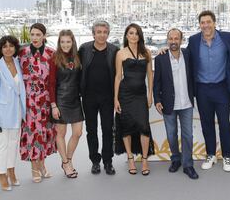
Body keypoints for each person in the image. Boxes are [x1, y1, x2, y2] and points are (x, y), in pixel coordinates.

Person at [187, 10, 230, 172]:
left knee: (224, 123)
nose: (206, 25)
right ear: (200, 25)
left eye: (208, 22)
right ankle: (211, 155)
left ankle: (227, 156)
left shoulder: (226, 38)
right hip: (201, 90)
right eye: (203, 23)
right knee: (206, 124)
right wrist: (163, 51)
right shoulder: (193, 40)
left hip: (221, 88)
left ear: (214, 23)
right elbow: (185, 56)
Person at [153, 28, 198, 179]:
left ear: (181, 40)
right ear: (167, 40)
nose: (173, 41)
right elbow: (156, 82)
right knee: (171, 135)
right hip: (168, 104)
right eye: (170, 39)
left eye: (176, 38)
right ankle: (176, 159)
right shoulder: (160, 58)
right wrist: (157, 100)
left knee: (188, 135)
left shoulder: (188, 54)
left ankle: (188, 165)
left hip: (186, 103)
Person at [79, 21, 119, 175]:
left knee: (108, 129)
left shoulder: (114, 50)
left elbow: (120, 72)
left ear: (108, 34)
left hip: (107, 97)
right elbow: (74, 66)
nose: (102, 35)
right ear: (93, 33)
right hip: (88, 97)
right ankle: (95, 161)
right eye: (99, 32)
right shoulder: (84, 49)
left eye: (105, 32)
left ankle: (108, 161)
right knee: (91, 130)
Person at [114, 23, 154, 176]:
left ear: (140, 36)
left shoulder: (147, 52)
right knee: (127, 127)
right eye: (131, 33)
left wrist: (150, 94)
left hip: (140, 95)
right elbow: (118, 77)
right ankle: (130, 158)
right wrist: (115, 99)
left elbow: (150, 75)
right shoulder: (121, 53)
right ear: (126, 35)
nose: (134, 36)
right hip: (125, 95)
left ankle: (144, 160)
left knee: (144, 126)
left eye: (136, 33)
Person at [0, 36, 26, 191]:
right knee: (2, 144)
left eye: (11, 46)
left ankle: (11, 169)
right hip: (2, 112)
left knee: (13, 143)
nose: (8, 49)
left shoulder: (18, 63)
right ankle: (1, 174)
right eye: (4, 46)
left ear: (15, 47)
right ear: (0, 49)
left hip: (17, 110)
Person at [19, 23, 57, 183]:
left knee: (44, 134)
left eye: (38, 35)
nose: (34, 38)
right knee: (32, 133)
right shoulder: (22, 53)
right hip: (28, 100)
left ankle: (42, 165)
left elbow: (54, 80)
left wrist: (54, 103)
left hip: (45, 99)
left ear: (44, 35)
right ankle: (34, 168)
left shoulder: (51, 54)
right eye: (32, 34)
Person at [49, 30, 84, 178]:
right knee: (61, 134)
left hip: (75, 100)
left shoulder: (77, 57)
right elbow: (51, 84)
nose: (65, 44)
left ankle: (67, 160)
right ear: (59, 43)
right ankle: (66, 163)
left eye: (68, 41)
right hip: (61, 100)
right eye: (62, 42)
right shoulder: (55, 58)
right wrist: (53, 105)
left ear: (73, 42)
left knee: (78, 133)